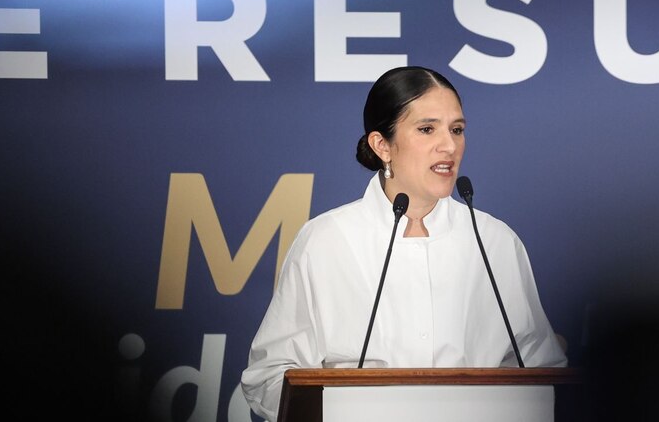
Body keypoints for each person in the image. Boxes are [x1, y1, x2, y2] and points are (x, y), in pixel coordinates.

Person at [240, 66, 567, 421]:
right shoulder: (326, 240)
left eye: (457, 130)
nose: (450, 146)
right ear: (382, 145)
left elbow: (541, 368)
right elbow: (269, 376)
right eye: (427, 129)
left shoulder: (495, 241)